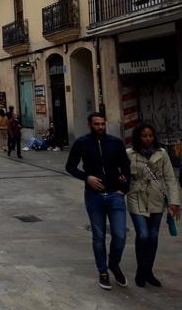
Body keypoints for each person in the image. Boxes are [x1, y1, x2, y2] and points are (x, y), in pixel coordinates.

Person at [66, 112, 131, 290]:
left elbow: (126, 166)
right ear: (89, 125)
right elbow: (70, 166)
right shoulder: (82, 143)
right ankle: (103, 271)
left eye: (102, 124)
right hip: (94, 197)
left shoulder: (115, 143)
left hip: (115, 196)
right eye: (96, 124)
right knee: (99, 237)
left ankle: (114, 264)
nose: (100, 127)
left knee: (120, 235)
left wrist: (123, 189)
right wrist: (87, 177)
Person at [126, 122, 180, 287]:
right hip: (137, 197)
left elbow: (170, 178)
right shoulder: (129, 153)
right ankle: (141, 270)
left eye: (150, 135)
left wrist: (174, 202)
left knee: (153, 236)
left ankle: (147, 271)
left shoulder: (162, 153)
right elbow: (121, 173)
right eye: (144, 136)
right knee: (143, 235)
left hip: (157, 197)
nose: (148, 139)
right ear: (138, 137)